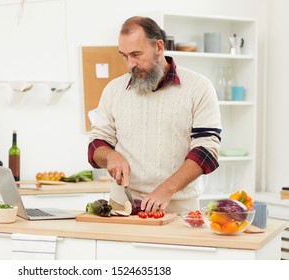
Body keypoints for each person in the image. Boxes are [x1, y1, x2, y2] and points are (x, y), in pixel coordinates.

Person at [87, 16, 222, 214]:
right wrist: (110, 156)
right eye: (124, 56)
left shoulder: (199, 87)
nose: (130, 64)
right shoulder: (114, 90)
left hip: (177, 207)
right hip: (122, 204)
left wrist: (166, 189)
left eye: (136, 54)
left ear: (159, 47)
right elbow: (96, 144)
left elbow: (207, 150)